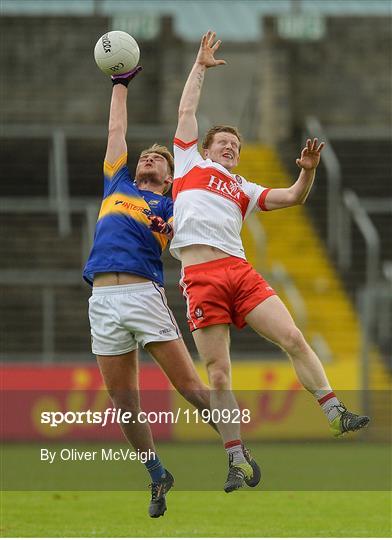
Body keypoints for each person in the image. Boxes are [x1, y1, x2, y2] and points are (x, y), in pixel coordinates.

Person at [164, 31, 370, 493]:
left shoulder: (245, 189)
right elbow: (185, 112)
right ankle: (237, 458)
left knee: (293, 336)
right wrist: (199, 66)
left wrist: (308, 172)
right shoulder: (187, 164)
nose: (231, 148)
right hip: (200, 277)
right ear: (206, 147)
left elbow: (295, 197)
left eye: (235, 145)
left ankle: (334, 412)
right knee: (218, 372)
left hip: (239, 272)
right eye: (224, 143)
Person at [83, 67, 225, 518]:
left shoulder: (171, 204)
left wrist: (170, 226)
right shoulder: (116, 184)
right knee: (125, 405)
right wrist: (120, 85)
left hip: (144, 295)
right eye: (145, 157)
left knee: (190, 388)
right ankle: (157, 474)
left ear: (167, 176)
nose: (147, 159)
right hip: (102, 303)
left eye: (157, 159)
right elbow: (116, 129)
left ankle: (237, 449)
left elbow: (185, 232)